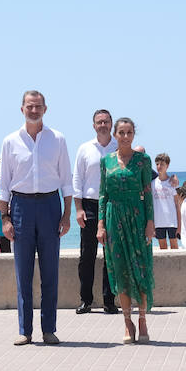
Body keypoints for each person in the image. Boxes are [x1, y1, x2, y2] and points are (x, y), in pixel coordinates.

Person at [0, 90, 73, 346]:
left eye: (38, 106)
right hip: (21, 207)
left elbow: (66, 181)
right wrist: (5, 218)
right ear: (21, 109)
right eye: (29, 106)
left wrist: (66, 215)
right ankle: (24, 330)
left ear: (45, 109)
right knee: (23, 273)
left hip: (50, 205)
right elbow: (4, 184)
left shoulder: (58, 139)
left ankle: (48, 329)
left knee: (50, 272)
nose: (34, 110)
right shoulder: (10, 141)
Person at [96, 117, 156, 344]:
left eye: (129, 132)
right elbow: (103, 194)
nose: (125, 136)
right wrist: (100, 224)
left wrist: (150, 222)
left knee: (141, 268)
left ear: (133, 134)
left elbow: (148, 193)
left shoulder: (143, 160)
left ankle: (142, 319)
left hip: (137, 217)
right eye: (121, 132)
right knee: (119, 269)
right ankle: (127, 322)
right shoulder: (106, 161)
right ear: (115, 134)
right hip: (114, 217)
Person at [72, 109, 118, 314]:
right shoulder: (84, 148)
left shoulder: (120, 147)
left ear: (111, 124)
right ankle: (86, 300)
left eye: (106, 122)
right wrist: (78, 209)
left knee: (111, 255)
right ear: (93, 125)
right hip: (89, 205)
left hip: (113, 205)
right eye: (99, 122)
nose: (103, 125)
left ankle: (109, 300)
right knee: (87, 255)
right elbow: (77, 180)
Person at [151, 154, 180, 249]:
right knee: (162, 247)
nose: (159, 166)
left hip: (172, 221)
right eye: (157, 164)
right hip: (159, 222)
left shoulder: (172, 183)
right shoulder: (153, 183)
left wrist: (179, 225)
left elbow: (177, 205)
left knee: (174, 246)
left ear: (167, 166)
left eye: (162, 164)